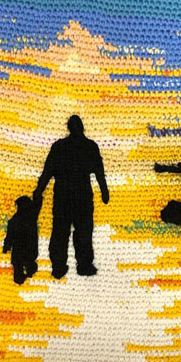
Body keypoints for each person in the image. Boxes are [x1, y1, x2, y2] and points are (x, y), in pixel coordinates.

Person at [33, 115, 109, 278]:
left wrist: (39, 190)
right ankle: (82, 265)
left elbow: (47, 172)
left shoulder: (60, 147)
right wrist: (104, 191)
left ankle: (60, 266)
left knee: (62, 232)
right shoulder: (89, 146)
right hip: (81, 197)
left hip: (64, 196)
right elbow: (99, 172)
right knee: (82, 232)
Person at [3, 195, 39, 285]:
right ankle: (28, 272)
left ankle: (24, 275)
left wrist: (6, 246)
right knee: (26, 263)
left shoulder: (14, 220)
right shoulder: (31, 218)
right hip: (29, 249)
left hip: (19, 251)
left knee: (19, 265)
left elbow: (9, 236)